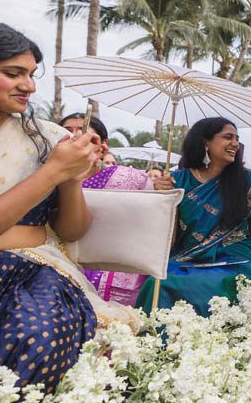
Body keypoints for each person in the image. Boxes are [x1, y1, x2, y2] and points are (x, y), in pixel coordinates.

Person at [0, 16, 135, 390]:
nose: (29, 86)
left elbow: (70, 229)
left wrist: (70, 178)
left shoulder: (48, 137)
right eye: (13, 73)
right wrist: (51, 174)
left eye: (32, 74)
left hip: (33, 271)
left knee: (31, 332)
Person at [136, 117, 251, 315]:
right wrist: (163, 197)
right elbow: (169, 236)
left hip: (237, 262)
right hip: (188, 259)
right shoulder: (179, 180)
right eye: (227, 137)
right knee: (157, 283)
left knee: (201, 285)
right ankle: (155, 342)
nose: (235, 144)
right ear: (206, 142)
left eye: (237, 138)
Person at [59, 112, 173, 306]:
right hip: (61, 265)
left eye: (84, 132)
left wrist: (159, 193)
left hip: (117, 272)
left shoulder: (132, 180)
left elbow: (151, 227)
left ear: (103, 146)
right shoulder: (46, 178)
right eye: (67, 132)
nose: (75, 137)